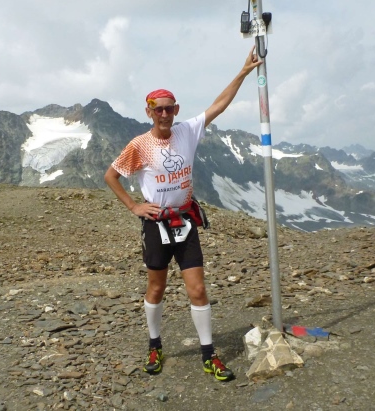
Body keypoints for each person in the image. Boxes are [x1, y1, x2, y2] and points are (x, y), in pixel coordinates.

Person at [104, 46, 263, 381]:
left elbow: (219, 105)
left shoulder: (187, 131)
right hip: (156, 224)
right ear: (149, 112)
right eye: (158, 109)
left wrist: (243, 72)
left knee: (198, 290)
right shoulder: (139, 145)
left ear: (176, 110)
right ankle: (154, 345)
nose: (164, 114)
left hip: (185, 221)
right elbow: (111, 176)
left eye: (169, 108)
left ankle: (209, 354)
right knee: (156, 289)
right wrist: (134, 206)